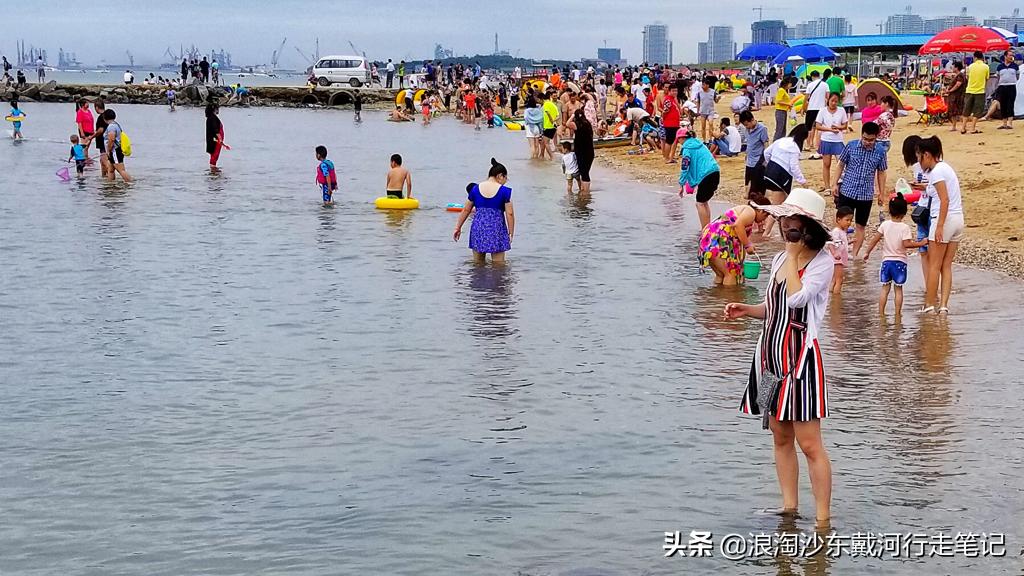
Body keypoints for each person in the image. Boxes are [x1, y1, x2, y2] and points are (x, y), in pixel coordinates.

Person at [726, 187, 834, 527]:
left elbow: (797, 300)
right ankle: (789, 508)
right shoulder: (778, 260)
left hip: (801, 360)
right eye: (783, 217)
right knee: (780, 435)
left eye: (792, 219)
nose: (785, 223)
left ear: (807, 225)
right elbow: (774, 307)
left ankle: (822, 521)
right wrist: (749, 310)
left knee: (809, 443)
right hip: (770, 356)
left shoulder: (822, 262)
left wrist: (791, 255)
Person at [918, 136, 964, 314]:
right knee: (946, 265)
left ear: (927, 155)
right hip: (958, 219)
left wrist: (939, 226)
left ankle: (929, 304)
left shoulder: (937, 171)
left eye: (919, 156)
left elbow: (944, 200)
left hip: (943, 219)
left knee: (934, 265)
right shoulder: (946, 168)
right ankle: (943, 306)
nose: (919, 161)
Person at [863, 193, 924, 315]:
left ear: (889, 210)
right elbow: (906, 244)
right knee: (898, 289)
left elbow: (875, 239)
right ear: (904, 212)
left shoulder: (885, 225)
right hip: (900, 263)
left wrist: (867, 252)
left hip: (886, 262)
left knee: (885, 289)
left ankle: (881, 313)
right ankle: (897, 314)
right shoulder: (904, 228)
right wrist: (921, 243)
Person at [833, 122, 887, 257]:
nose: (868, 142)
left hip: (866, 195)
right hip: (847, 190)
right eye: (865, 139)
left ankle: (854, 255)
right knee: (841, 225)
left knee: (860, 226)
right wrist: (834, 184)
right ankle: (841, 253)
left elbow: (881, 172)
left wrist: (881, 193)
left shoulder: (880, 151)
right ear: (861, 135)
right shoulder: (851, 146)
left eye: (871, 140)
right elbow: (840, 165)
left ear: (876, 138)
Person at [453, 158, 515, 264]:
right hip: (497, 230)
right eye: (505, 178)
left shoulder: (475, 189)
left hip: (478, 228)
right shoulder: (504, 191)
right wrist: (510, 232)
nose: (505, 182)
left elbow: (466, 210)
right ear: (500, 176)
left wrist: (457, 227)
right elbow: (510, 214)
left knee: (477, 264)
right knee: (499, 266)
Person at [698, 195, 771, 285]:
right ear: (760, 210)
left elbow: (739, 240)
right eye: (765, 215)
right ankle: (731, 298)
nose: (765, 219)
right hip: (718, 239)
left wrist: (741, 264)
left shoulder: (743, 213)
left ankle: (716, 297)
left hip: (708, 239)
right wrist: (747, 245)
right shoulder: (750, 211)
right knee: (731, 274)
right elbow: (738, 225)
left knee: (721, 275)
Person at [678, 129, 721, 230]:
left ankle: (705, 230)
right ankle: (708, 227)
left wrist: (681, 183)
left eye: (678, 140)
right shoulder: (699, 144)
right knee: (703, 201)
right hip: (715, 171)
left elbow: (685, 167)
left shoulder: (687, 148)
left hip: (706, 175)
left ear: (681, 138)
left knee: (699, 203)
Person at [763, 125, 809, 204]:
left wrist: (769, 163)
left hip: (768, 172)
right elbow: (794, 167)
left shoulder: (781, 140)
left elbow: (766, 152)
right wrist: (802, 181)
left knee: (770, 203)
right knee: (778, 208)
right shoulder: (794, 148)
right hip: (780, 177)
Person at [815, 92, 848, 193]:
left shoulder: (841, 110)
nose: (833, 103)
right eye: (832, 101)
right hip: (826, 140)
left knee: (841, 163)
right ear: (828, 100)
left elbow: (845, 125)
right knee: (826, 164)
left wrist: (838, 127)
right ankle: (827, 186)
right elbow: (818, 125)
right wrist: (829, 129)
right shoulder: (822, 111)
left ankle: (838, 184)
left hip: (838, 140)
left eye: (836, 101)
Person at [740, 110, 769, 196]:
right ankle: (747, 193)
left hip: (759, 159)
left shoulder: (762, 129)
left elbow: (766, 143)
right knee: (748, 178)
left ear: (752, 120)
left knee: (758, 185)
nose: (746, 126)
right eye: (745, 125)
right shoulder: (747, 129)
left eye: (747, 124)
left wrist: (766, 159)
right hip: (750, 158)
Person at [828, 206, 854, 294]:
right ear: (838, 220)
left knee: (835, 279)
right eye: (847, 220)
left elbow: (841, 244)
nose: (849, 223)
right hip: (837, 259)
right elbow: (830, 243)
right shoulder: (836, 231)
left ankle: (831, 295)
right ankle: (837, 300)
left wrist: (850, 242)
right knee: (839, 280)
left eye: (851, 220)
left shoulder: (842, 231)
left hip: (839, 258)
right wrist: (834, 253)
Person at [802, 70, 828, 160]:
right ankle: (818, 146)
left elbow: (806, 98)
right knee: (819, 127)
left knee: (809, 127)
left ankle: (809, 145)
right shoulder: (825, 85)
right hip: (821, 109)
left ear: (812, 76)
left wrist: (803, 108)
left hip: (811, 108)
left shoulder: (810, 85)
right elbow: (827, 97)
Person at [963, 51, 990, 134]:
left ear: (975, 57)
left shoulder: (970, 67)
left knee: (966, 110)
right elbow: (987, 78)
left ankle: (963, 128)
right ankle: (973, 128)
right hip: (980, 91)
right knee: (977, 111)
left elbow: (967, 77)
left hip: (969, 90)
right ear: (982, 57)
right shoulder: (986, 67)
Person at [102, 109, 131, 182]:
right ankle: (111, 186)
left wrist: (108, 150)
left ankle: (130, 183)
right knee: (111, 169)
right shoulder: (116, 124)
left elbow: (111, 139)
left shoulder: (111, 127)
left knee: (121, 170)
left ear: (105, 118)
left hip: (114, 151)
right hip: (114, 151)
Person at [570, 108, 595, 194]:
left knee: (583, 172)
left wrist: (572, 116)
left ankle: (585, 192)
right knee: (585, 172)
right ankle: (585, 190)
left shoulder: (576, 124)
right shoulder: (587, 124)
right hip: (589, 151)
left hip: (581, 152)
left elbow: (567, 123)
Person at [995, 51, 1019, 130]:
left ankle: (1010, 123)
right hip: (1002, 87)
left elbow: (1017, 76)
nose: (1011, 57)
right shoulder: (999, 67)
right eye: (1009, 55)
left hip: (1012, 87)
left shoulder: (1015, 66)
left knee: (1010, 104)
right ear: (1005, 56)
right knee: (1003, 105)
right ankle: (1004, 123)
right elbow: (997, 77)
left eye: (1012, 55)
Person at [943, 62, 966, 132]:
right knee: (955, 112)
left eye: (953, 67)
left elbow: (958, 84)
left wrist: (950, 91)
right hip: (955, 95)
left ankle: (962, 126)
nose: (952, 68)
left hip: (956, 96)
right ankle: (955, 126)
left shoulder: (960, 75)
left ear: (956, 68)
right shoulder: (959, 75)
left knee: (956, 111)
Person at [661, 84, 681, 163]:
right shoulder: (669, 100)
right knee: (669, 141)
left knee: (673, 141)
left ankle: (670, 157)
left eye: (676, 91)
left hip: (674, 123)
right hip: (670, 124)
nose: (675, 92)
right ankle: (667, 158)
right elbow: (664, 112)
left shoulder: (672, 99)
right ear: (669, 91)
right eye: (673, 91)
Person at [695, 76, 718, 142]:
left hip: (710, 111)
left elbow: (716, 101)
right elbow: (698, 102)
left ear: (708, 85)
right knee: (703, 126)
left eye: (704, 84)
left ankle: (710, 139)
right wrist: (697, 111)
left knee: (711, 123)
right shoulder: (699, 93)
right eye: (702, 84)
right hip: (703, 111)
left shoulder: (713, 92)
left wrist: (717, 99)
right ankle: (704, 140)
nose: (702, 86)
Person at [774, 77, 796, 141]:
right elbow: (778, 101)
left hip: (783, 111)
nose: (791, 85)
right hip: (780, 111)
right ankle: (776, 141)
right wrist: (788, 104)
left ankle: (780, 141)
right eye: (790, 84)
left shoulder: (784, 91)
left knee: (783, 128)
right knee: (780, 129)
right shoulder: (781, 90)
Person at [540, 92, 559, 160]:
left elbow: (547, 113)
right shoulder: (553, 105)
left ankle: (552, 157)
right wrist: (554, 121)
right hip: (553, 126)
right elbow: (558, 116)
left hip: (548, 126)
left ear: (542, 99)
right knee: (543, 142)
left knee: (546, 143)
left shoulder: (546, 104)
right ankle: (541, 155)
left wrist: (551, 120)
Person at [93, 100, 110, 177]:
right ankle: (104, 177)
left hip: (103, 142)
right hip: (108, 140)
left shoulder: (101, 117)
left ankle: (110, 177)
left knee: (104, 161)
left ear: (96, 107)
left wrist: (92, 136)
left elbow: (100, 130)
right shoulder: (107, 115)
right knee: (102, 161)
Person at [205, 104, 224, 168]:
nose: (218, 110)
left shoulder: (211, 117)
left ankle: (212, 172)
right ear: (214, 109)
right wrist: (220, 139)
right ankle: (213, 171)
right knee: (214, 156)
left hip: (213, 140)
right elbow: (215, 129)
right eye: (217, 108)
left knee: (213, 156)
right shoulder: (213, 118)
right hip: (215, 140)